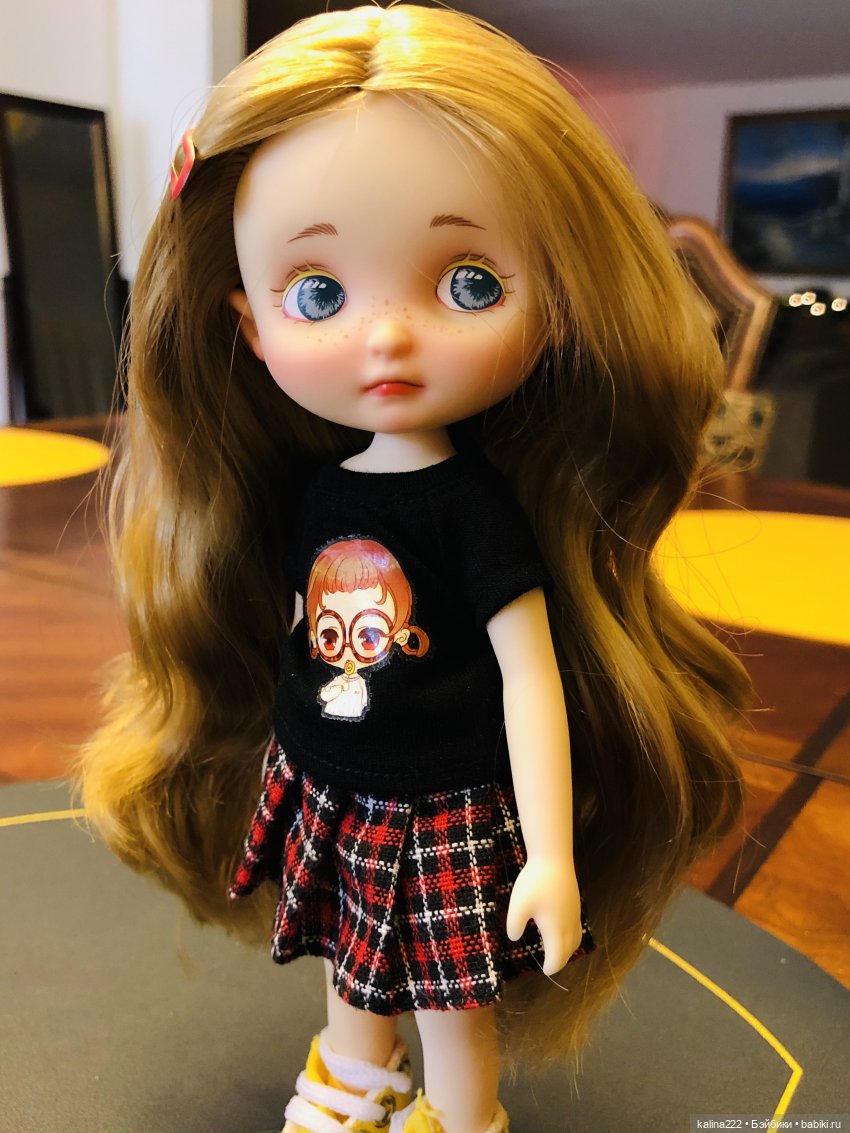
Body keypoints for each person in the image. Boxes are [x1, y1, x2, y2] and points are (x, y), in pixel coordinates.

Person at [80, 7, 750, 1133]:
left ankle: (461, 1115)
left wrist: (549, 854)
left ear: (557, 305)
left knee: (450, 1000)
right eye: (319, 293)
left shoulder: (471, 507)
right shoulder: (309, 485)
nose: (386, 336)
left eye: (470, 283)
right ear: (248, 323)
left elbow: (529, 675)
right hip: (327, 778)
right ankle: (355, 1079)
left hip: (444, 802)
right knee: (349, 958)